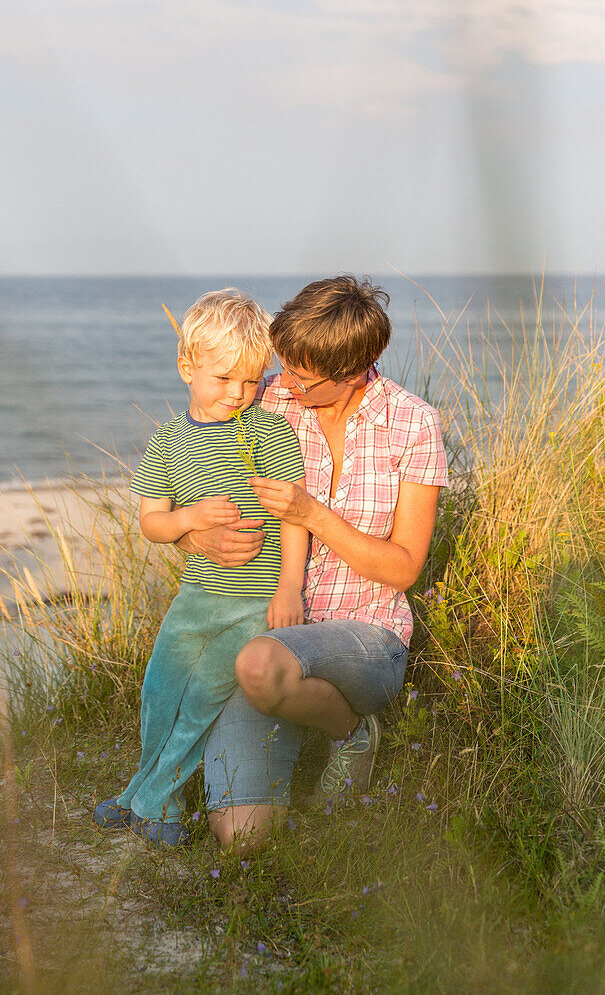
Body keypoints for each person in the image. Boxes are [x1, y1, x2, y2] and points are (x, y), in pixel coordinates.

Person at [177, 275, 449, 850]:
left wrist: (312, 513)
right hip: (267, 631)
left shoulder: (414, 424)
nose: (286, 383)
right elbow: (189, 481)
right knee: (241, 838)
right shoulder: (269, 397)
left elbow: (403, 569)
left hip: (367, 640)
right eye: (286, 365)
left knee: (256, 666)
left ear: (353, 372)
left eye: (303, 375)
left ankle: (351, 733)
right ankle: (294, 711)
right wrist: (194, 541)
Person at [94, 289, 307, 847]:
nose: (238, 395)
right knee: (161, 691)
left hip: (253, 602)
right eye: (224, 380)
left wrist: (288, 590)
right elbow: (151, 523)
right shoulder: (168, 442)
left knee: (202, 700)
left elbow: (293, 518)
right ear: (187, 366)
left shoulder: (269, 432)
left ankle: (156, 805)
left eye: (251, 381)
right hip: (197, 596)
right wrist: (188, 519)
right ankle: (138, 791)